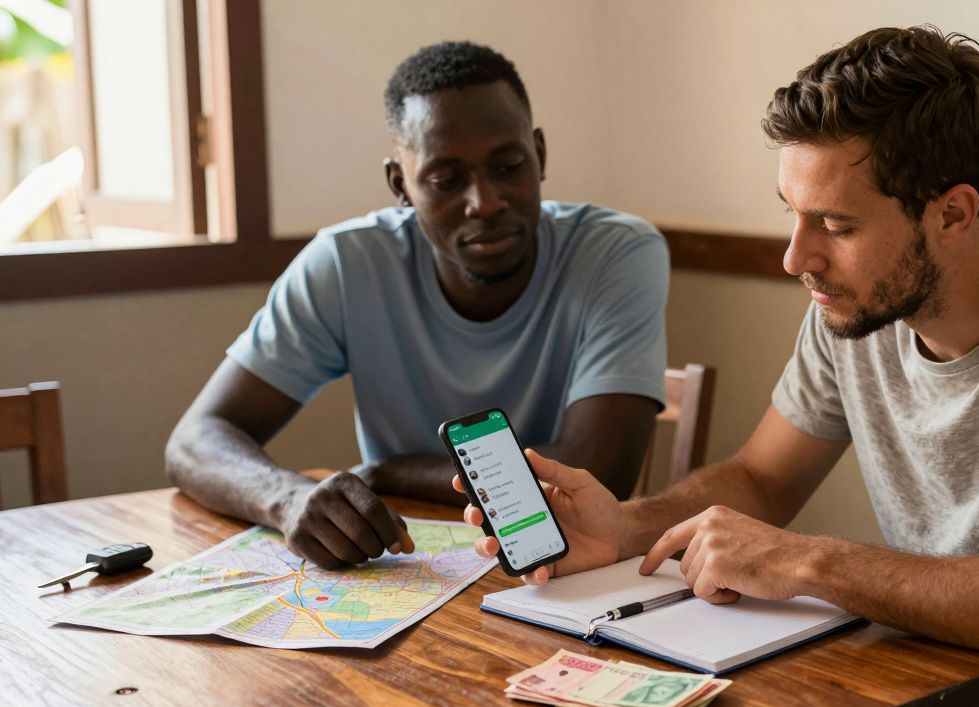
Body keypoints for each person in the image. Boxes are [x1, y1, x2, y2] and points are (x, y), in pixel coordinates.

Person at [463, 26, 979, 707]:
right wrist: (626, 528)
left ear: (956, 213)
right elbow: (762, 481)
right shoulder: (860, 306)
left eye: (835, 225)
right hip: (917, 705)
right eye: (793, 215)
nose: (797, 259)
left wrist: (812, 562)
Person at [167, 42, 668, 571]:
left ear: (539, 154)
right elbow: (195, 440)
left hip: (564, 572)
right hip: (409, 575)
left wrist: (389, 472)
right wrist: (288, 498)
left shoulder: (617, 253)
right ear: (400, 184)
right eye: (446, 180)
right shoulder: (347, 263)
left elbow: (594, 475)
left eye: (509, 164)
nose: (486, 201)